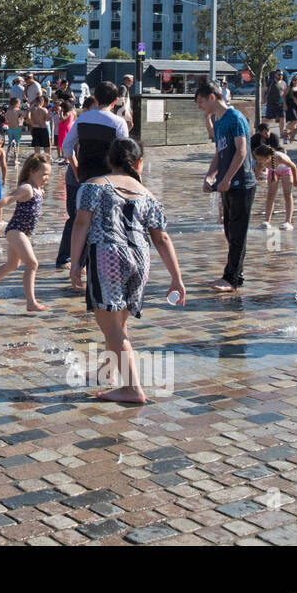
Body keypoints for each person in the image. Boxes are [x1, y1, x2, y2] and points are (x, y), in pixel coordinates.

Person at [69, 138, 186, 404]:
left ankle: (133, 388)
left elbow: (81, 224)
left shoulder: (93, 187)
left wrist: (75, 262)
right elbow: (162, 239)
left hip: (107, 255)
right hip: (139, 258)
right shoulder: (148, 195)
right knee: (118, 321)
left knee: (109, 326)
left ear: (109, 160)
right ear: (139, 163)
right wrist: (176, 278)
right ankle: (108, 370)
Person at [57, 83, 130, 271]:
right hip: (107, 181)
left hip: (83, 179)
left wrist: (76, 168)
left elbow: (66, 148)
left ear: (95, 98)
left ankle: (72, 262)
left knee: (77, 219)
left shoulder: (83, 119)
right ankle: (97, 264)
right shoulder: (118, 123)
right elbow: (124, 155)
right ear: (115, 101)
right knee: (105, 221)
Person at [196, 80, 256, 292]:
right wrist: (210, 175)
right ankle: (234, 275)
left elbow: (241, 151)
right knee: (230, 231)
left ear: (212, 97)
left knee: (238, 232)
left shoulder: (236, 118)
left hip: (242, 183)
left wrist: (227, 178)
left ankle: (231, 279)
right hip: (227, 184)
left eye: (200, 101)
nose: (199, 106)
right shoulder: (220, 122)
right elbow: (219, 154)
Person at [0, 153, 50, 311]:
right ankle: (31, 302)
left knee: (12, 264)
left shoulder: (37, 188)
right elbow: (6, 200)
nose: (46, 178)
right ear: (32, 171)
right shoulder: (26, 188)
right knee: (32, 264)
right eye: (44, 174)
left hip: (21, 232)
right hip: (16, 231)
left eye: (48, 174)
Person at [253, 142, 297, 230]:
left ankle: (288, 222)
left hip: (286, 170)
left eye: (260, 159)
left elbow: (293, 166)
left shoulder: (280, 158)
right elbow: (256, 174)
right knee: (270, 195)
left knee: (287, 195)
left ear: (268, 157)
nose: (258, 161)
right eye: (257, 159)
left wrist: (295, 181)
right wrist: (253, 184)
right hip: (273, 171)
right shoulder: (261, 161)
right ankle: (267, 221)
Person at [265, 70, 288, 140]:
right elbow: (263, 90)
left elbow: (285, 93)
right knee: (268, 119)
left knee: (283, 118)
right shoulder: (271, 82)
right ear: (275, 75)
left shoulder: (284, 83)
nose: (280, 76)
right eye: (279, 74)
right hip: (271, 103)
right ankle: (264, 133)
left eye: (281, 75)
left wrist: (285, 103)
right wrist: (263, 99)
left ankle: (281, 134)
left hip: (280, 104)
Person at [3, 98, 25, 166]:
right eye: (19, 103)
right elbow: (23, 116)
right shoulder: (18, 111)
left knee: (9, 144)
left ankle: (6, 158)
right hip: (17, 129)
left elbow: (5, 120)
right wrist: (21, 120)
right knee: (17, 144)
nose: (20, 105)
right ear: (16, 104)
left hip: (10, 129)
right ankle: (15, 159)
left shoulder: (8, 111)